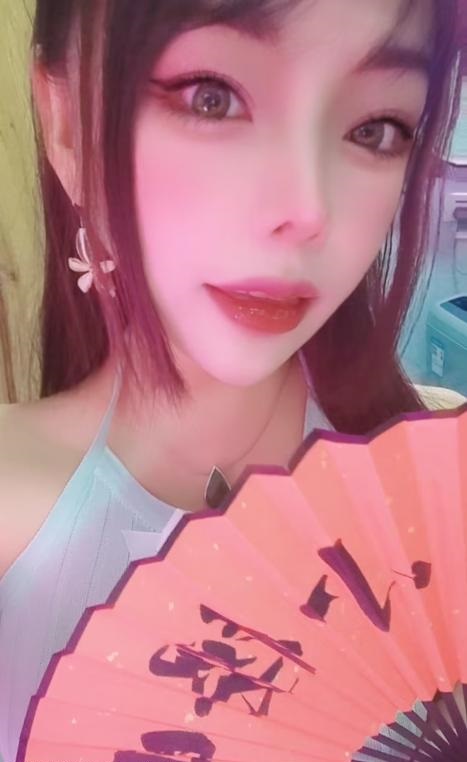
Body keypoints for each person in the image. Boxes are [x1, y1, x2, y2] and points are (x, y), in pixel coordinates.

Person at [0, 1, 464, 760]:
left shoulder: (440, 503)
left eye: (376, 129)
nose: (307, 210)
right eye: (211, 97)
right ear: (67, 127)